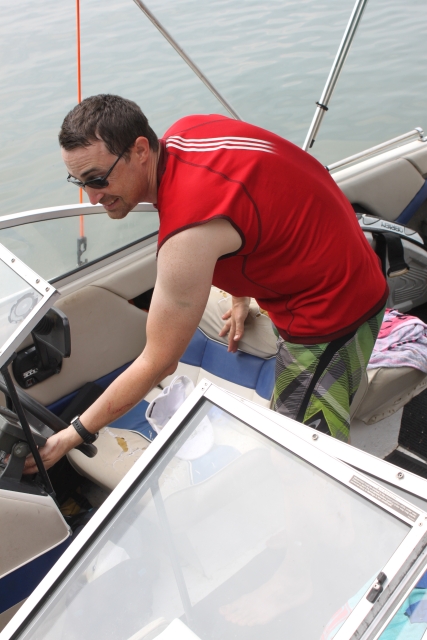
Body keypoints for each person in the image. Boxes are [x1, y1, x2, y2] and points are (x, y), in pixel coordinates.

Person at [24, 94, 387, 473]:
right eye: (80, 182)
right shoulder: (189, 131)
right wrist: (241, 294)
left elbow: (158, 362)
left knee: (301, 462)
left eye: (98, 179)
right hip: (335, 258)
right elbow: (258, 201)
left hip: (333, 311)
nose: (92, 197)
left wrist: (72, 436)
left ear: (141, 150)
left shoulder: (188, 236)